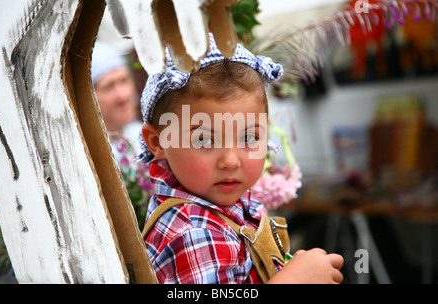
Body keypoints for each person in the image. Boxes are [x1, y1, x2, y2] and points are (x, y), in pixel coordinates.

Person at [138, 33, 343, 284]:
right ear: (158, 142)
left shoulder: (219, 204)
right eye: (204, 140)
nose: (231, 161)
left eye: (249, 137)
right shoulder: (194, 233)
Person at [91, 41, 142, 159]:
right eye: (108, 87)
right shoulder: (92, 156)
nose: (123, 95)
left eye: (124, 80)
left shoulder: (141, 135)